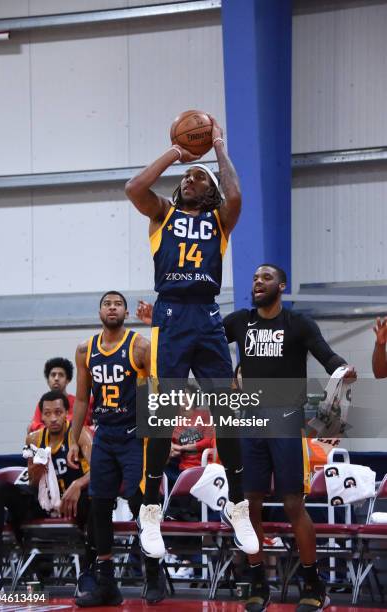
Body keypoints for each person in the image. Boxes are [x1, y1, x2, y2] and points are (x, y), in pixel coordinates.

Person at [125, 117, 258, 561]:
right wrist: (175, 155)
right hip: (171, 314)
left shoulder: (220, 220)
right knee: (162, 413)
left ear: (210, 190)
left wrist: (218, 147)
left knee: (229, 409)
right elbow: (133, 188)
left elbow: (236, 195)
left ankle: (238, 506)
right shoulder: (163, 213)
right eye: (186, 177)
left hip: (207, 314)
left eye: (197, 177)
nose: (189, 179)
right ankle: (148, 511)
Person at [223, 264, 357, 612]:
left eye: (265, 278)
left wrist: (344, 371)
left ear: (281, 286)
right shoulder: (239, 321)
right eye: (254, 278)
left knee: (293, 504)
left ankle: (313, 583)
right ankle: (256, 581)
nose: (257, 283)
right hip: (250, 421)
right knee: (248, 504)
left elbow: (327, 355)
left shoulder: (298, 324)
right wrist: (163, 329)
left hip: (285, 422)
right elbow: (203, 341)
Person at [68, 291, 164, 607]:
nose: (112, 307)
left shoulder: (139, 346)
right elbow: (82, 400)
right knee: (99, 506)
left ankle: (153, 569)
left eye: (118, 303)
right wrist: (73, 439)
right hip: (105, 436)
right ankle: (107, 582)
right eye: (107, 303)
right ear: (99, 312)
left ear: (126, 312)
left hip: (135, 435)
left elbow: (157, 388)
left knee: (139, 500)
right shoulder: (85, 350)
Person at [0, 390, 95, 598]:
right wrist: (37, 470)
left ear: (67, 413)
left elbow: (99, 472)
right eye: (48, 413)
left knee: (98, 499)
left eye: (58, 412)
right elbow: (33, 482)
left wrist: (78, 484)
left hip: (74, 503)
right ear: (41, 416)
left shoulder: (81, 434)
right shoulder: (33, 439)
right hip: (42, 503)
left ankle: (88, 573)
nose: (53, 418)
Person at [28, 357, 92, 432]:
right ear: (48, 380)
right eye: (53, 375)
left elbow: (81, 426)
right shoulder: (43, 403)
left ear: (67, 380)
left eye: (61, 375)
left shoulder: (78, 402)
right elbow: (34, 425)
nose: (56, 378)